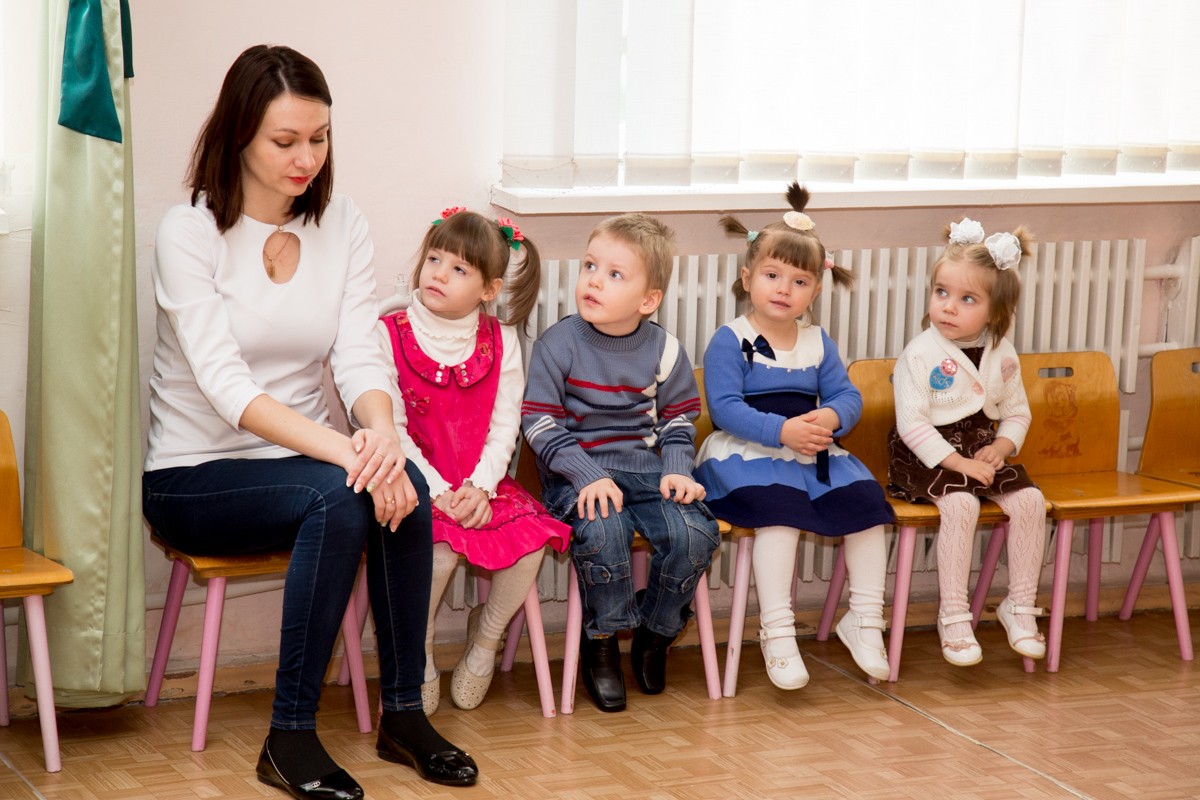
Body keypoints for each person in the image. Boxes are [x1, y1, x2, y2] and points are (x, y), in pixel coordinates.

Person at [142, 45, 477, 800]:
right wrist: (355, 457)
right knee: (343, 495)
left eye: (319, 138)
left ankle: (404, 717)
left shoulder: (342, 222)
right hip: (194, 475)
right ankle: (288, 737)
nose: (306, 159)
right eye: (285, 141)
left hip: (307, 463)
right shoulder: (188, 232)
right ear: (239, 135)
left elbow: (359, 354)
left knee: (403, 482)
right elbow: (228, 390)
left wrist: (381, 438)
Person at [693, 183, 895, 688]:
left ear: (816, 290)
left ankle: (865, 619)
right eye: (772, 275)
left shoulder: (817, 340)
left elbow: (847, 396)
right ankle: (778, 631)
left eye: (799, 281)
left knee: (868, 507)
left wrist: (830, 418)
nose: (784, 289)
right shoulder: (731, 340)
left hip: (809, 449)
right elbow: (725, 409)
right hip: (746, 451)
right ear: (747, 278)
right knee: (779, 517)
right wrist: (781, 429)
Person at [520, 213, 720, 712]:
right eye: (590, 266)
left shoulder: (664, 349)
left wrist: (678, 467)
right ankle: (602, 641)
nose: (593, 280)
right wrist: (587, 475)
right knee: (603, 531)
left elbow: (679, 418)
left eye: (614, 274)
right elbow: (539, 422)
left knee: (696, 533)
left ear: (648, 300)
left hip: (647, 470)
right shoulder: (558, 343)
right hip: (577, 474)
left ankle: (656, 632)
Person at [376, 208, 570, 713]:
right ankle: (417, 651)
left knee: (529, 544)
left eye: (459, 268)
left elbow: (506, 426)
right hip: (411, 481)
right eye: (434, 259)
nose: (439, 273)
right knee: (437, 551)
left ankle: (485, 642)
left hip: (482, 483)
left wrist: (482, 487)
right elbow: (391, 428)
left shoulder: (501, 339)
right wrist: (439, 491)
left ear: (489, 289)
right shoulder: (389, 332)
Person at [888, 217, 1048, 667]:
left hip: (980, 448)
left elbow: (1017, 412)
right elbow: (912, 424)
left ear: (995, 312)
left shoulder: (1003, 351)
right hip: (925, 455)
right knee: (961, 506)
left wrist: (1001, 448)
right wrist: (958, 464)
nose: (949, 307)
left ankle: (1019, 604)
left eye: (967, 299)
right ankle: (954, 615)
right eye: (942, 292)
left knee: (1031, 502)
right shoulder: (919, 354)